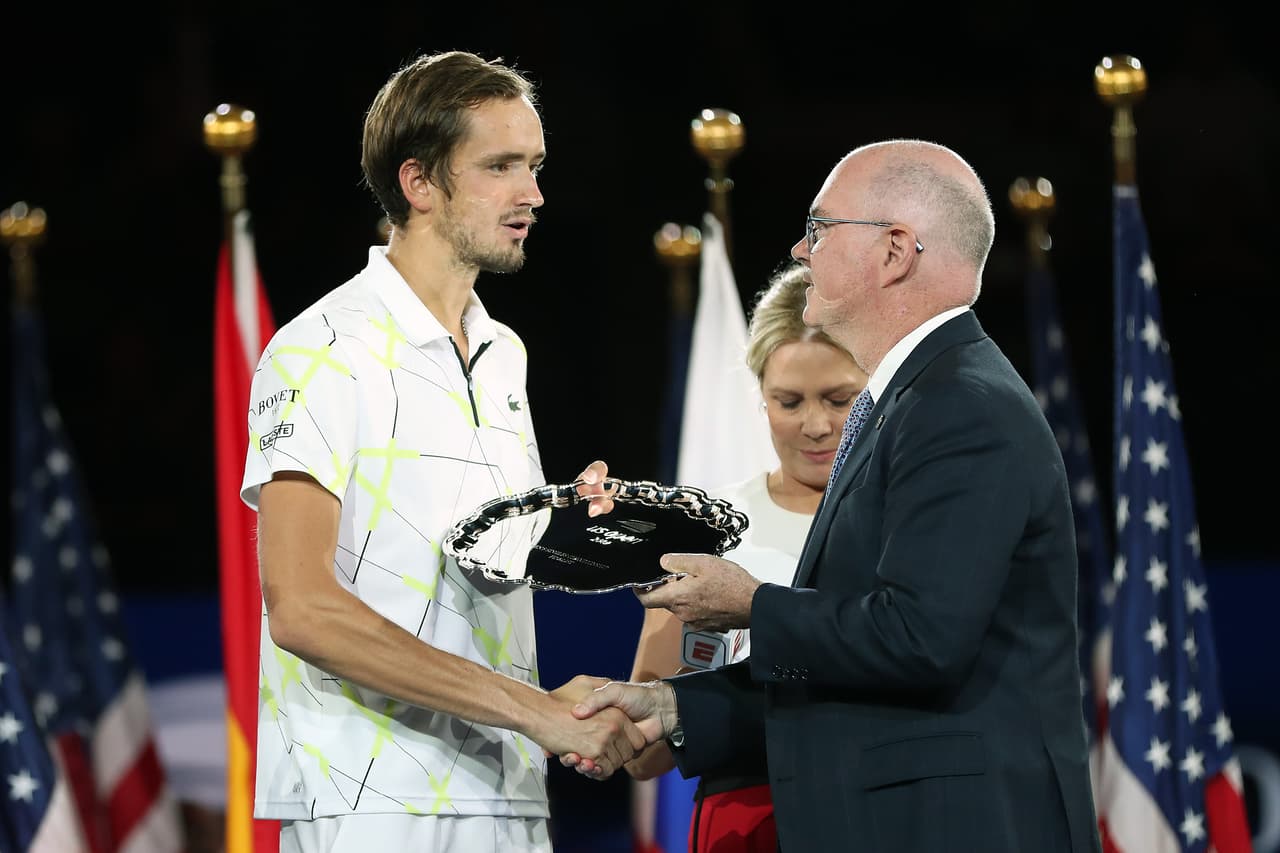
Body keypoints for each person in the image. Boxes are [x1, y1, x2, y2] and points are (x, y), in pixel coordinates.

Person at [571, 139, 1103, 853]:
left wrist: (749, 603)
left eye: (820, 229)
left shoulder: (959, 405)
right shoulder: (911, 403)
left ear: (895, 251)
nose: (799, 248)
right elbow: (858, 680)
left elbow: (919, 641)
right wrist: (674, 704)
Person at [240, 51, 641, 853]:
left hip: (507, 787)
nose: (531, 193)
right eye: (500, 166)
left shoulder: (505, 351)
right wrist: (537, 709)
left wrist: (572, 527)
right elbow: (302, 609)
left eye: (534, 165)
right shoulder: (319, 348)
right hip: (370, 796)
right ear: (418, 183)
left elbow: (464, 557)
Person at [625, 261, 867, 852]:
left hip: (881, 811)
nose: (816, 425)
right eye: (789, 401)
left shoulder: (916, 522)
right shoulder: (705, 533)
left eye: (840, 399)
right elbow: (644, 753)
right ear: (760, 399)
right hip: (747, 823)